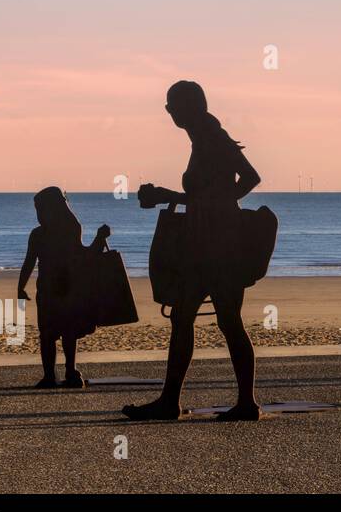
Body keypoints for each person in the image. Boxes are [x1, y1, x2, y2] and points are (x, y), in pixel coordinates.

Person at [124, 81, 263, 421]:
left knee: (220, 321)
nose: (169, 110)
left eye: (172, 104)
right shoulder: (204, 138)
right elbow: (218, 191)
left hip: (217, 247)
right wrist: (180, 198)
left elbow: (250, 177)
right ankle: (177, 401)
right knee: (196, 319)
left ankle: (236, 403)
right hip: (208, 243)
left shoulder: (212, 139)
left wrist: (203, 202)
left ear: (190, 106)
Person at [17, 187, 108, 389]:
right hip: (59, 290)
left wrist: (21, 287)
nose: (39, 215)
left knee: (58, 333)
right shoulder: (61, 231)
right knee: (58, 333)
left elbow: (29, 263)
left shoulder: (48, 233)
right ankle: (59, 373)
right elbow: (86, 255)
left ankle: (60, 373)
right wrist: (100, 239)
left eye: (41, 209)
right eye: (37, 210)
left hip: (60, 290)